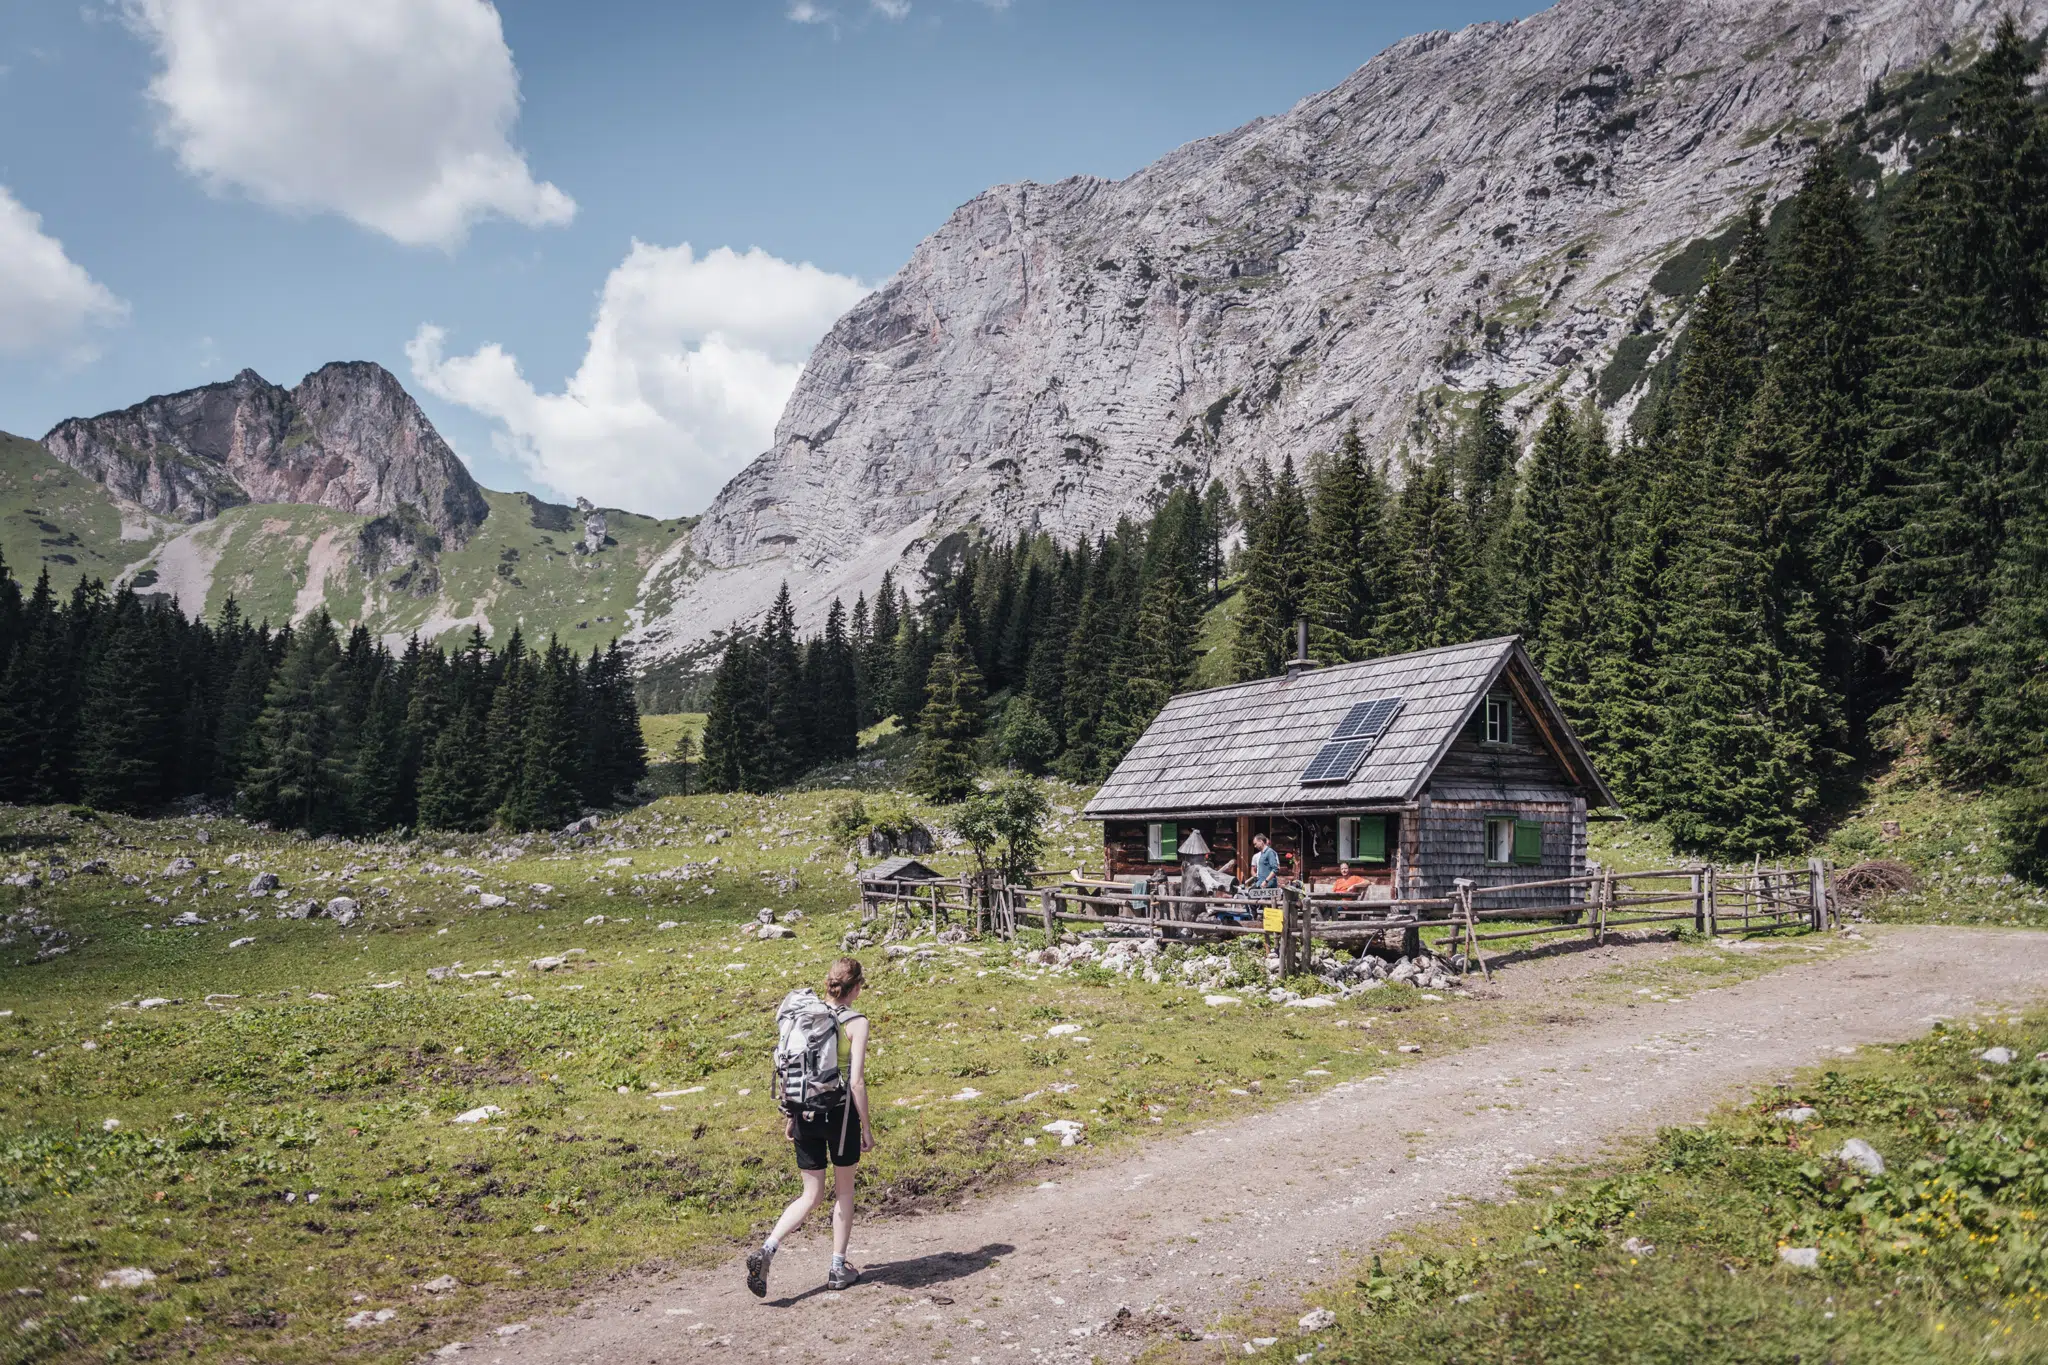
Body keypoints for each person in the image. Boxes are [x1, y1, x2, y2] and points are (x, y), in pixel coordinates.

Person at [747, 957, 874, 1297]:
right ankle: (837, 1269)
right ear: (857, 988)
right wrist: (866, 1128)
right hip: (840, 1113)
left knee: (810, 1194)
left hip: (803, 1111)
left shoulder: (806, 1017)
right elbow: (857, 1081)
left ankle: (768, 1248)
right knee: (844, 1191)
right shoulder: (857, 1022)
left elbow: (798, 1072)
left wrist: (791, 1116)